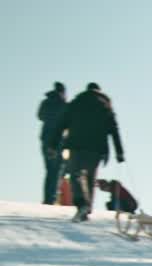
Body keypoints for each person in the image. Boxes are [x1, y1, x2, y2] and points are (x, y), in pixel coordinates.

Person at [55, 83, 124, 222]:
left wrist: (52, 144)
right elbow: (114, 129)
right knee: (90, 177)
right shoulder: (105, 105)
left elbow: (61, 123)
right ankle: (87, 208)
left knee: (76, 174)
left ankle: (82, 204)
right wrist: (119, 152)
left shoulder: (76, 102)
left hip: (76, 145)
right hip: (97, 149)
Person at [37, 82, 67, 204]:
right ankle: (51, 198)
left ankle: (48, 197)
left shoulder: (46, 102)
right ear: (62, 92)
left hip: (45, 139)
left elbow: (39, 116)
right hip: (59, 140)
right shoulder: (64, 105)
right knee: (57, 170)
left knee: (49, 170)